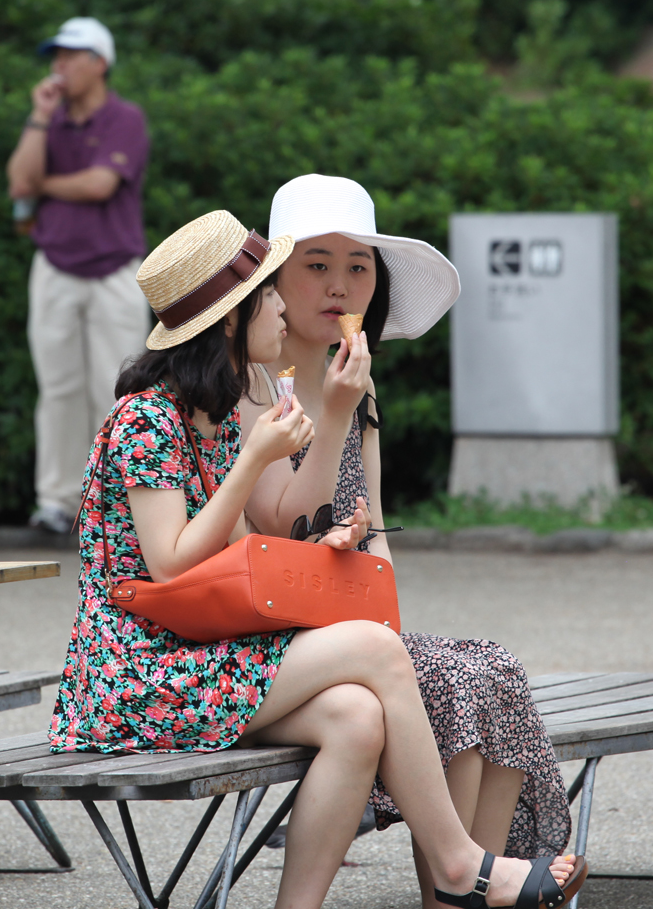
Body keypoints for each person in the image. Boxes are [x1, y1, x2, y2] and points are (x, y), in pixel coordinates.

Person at [49, 208, 584, 909]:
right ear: (234, 317)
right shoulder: (146, 417)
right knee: (374, 650)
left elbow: (229, 553)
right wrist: (253, 462)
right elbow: (172, 565)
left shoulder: (205, 415)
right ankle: (460, 867)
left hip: (195, 658)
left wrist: (315, 542)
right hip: (136, 677)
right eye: (270, 293)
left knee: (356, 717)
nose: (282, 307)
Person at [238, 174, 574, 908]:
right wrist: (330, 413)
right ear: (275, 278)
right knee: (445, 679)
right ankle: (460, 882)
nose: (338, 285)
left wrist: (370, 564)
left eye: (357, 267)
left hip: (349, 620)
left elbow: (376, 521)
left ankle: (471, 885)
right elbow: (276, 529)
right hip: (274, 634)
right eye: (316, 265)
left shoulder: (356, 383)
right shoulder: (249, 381)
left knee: (493, 668)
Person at [7, 17, 150, 534]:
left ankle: (112, 502)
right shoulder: (51, 120)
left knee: (116, 388)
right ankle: (57, 502)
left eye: (71, 55)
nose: (59, 64)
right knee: (59, 389)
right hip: (54, 268)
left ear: (100, 63)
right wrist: (39, 117)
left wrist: (42, 185)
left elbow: (99, 184)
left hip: (115, 270)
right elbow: (18, 179)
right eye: (56, 55)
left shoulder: (124, 118)